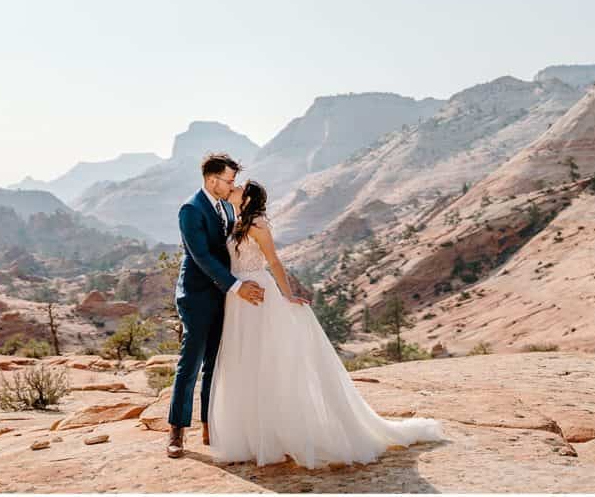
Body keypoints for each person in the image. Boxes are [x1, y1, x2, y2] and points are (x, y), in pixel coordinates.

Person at [207, 179, 447, 469]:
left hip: (258, 294)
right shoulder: (235, 222)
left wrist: (288, 295)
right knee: (245, 360)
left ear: (246, 198)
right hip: (239, 299)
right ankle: (254, 435)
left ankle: (273, 437)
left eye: (236, 188)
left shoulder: (257, 224)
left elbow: (274, 261)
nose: (230, 189)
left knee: (265, 361)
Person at [166, 152, 266, 458]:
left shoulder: (225, 205)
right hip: (196, 295)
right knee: (190, 362)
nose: (232, 185)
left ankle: (210, 426)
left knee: (215, 363)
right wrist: (237, 286)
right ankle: (177, 432)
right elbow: (202, 257)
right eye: (229, 180)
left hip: (222, 295)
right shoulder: (190, 209)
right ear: (213, 180)